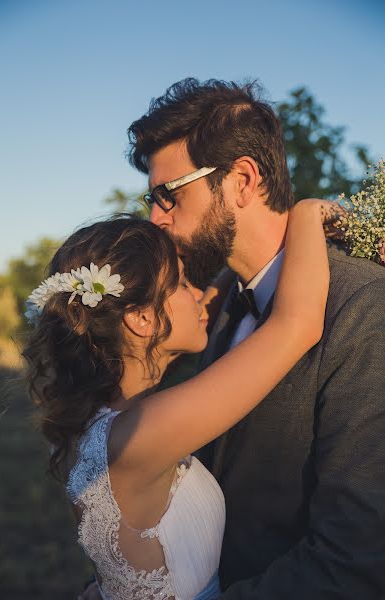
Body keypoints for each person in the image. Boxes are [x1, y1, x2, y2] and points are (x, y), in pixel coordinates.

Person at [125, 78, 385, 599]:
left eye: (168, 194)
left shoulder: (365, 308)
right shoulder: (216, 311)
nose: (156, 217)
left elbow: (357, 558)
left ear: (242, 180)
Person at [24, 204, 328, 600]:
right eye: (183, 284)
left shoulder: (97, 425)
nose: (200, 294)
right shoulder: (142, 433)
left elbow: (207, 302)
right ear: (141, 319)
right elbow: (298, 323)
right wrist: (307, 212)